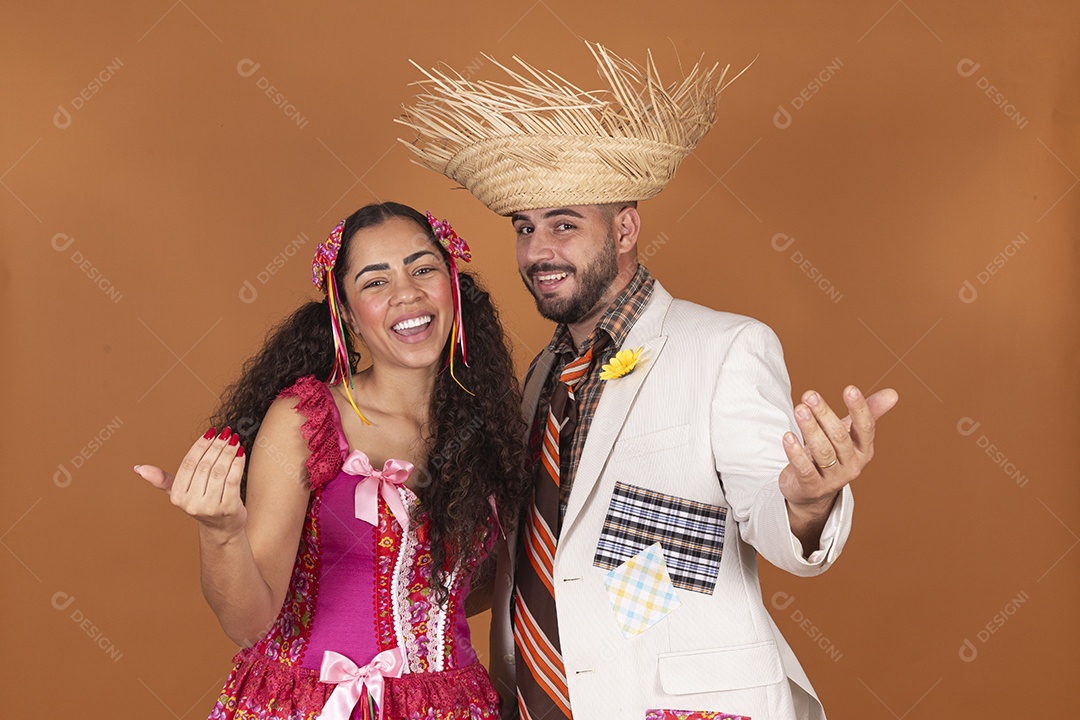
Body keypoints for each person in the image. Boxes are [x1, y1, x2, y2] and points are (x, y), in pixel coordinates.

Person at [398, 42, 900, 719]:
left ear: (626, 227)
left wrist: (807, 501)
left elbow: (768, 507)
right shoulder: (540, 376)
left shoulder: (724, 348)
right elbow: (549, 551)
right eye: (525, 229)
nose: (538, 252)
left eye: (565, 226)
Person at [135, 202, 531, 720]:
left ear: (453, 283)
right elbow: (250, 623)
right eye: (374, 281)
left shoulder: (490, 424)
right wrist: (221, 531)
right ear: (345, 312)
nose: (406, 292)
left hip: (454, 707)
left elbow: (480, 587)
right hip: (310, 703)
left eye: (423, 267)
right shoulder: (305, 418)